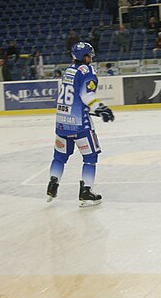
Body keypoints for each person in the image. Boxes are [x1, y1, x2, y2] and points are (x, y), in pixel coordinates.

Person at [46, 42, 114, 207]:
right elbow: (86, 94)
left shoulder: (68, 70)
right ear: (85, 57)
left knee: (59, 157)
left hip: (62, 123)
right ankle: (86, 192)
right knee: (90, 157)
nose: (91, 58)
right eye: (89, 55)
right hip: (80, 125)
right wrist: (101, 108)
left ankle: (52, 184)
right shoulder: (88, 71)